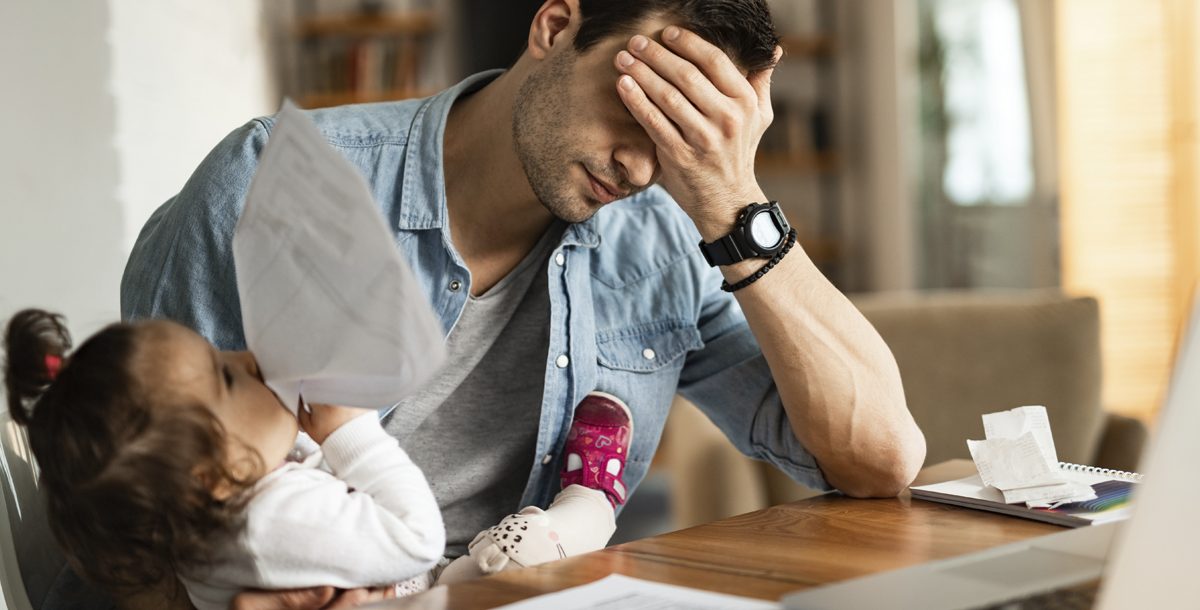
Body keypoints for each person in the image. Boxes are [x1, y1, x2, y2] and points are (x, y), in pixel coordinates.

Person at [123, 0, 926, 601]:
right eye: (641, 108)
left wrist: (734, 200)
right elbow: (133, 529)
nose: (644, 169)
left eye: (684, 138)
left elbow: (879, 459)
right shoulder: (275, 188)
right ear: (554, 25)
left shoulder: (664, 239)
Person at [1, 309, 634, 609]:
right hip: (429, 583)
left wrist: (298, 430)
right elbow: (416, 537)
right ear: (209, 474)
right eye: (224, 381)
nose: (244, 358)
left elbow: (303, 481)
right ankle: (592, 496)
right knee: (520, 553)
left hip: (422, 590)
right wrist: (349, 430)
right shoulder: (267, 520)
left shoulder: (220, 514)